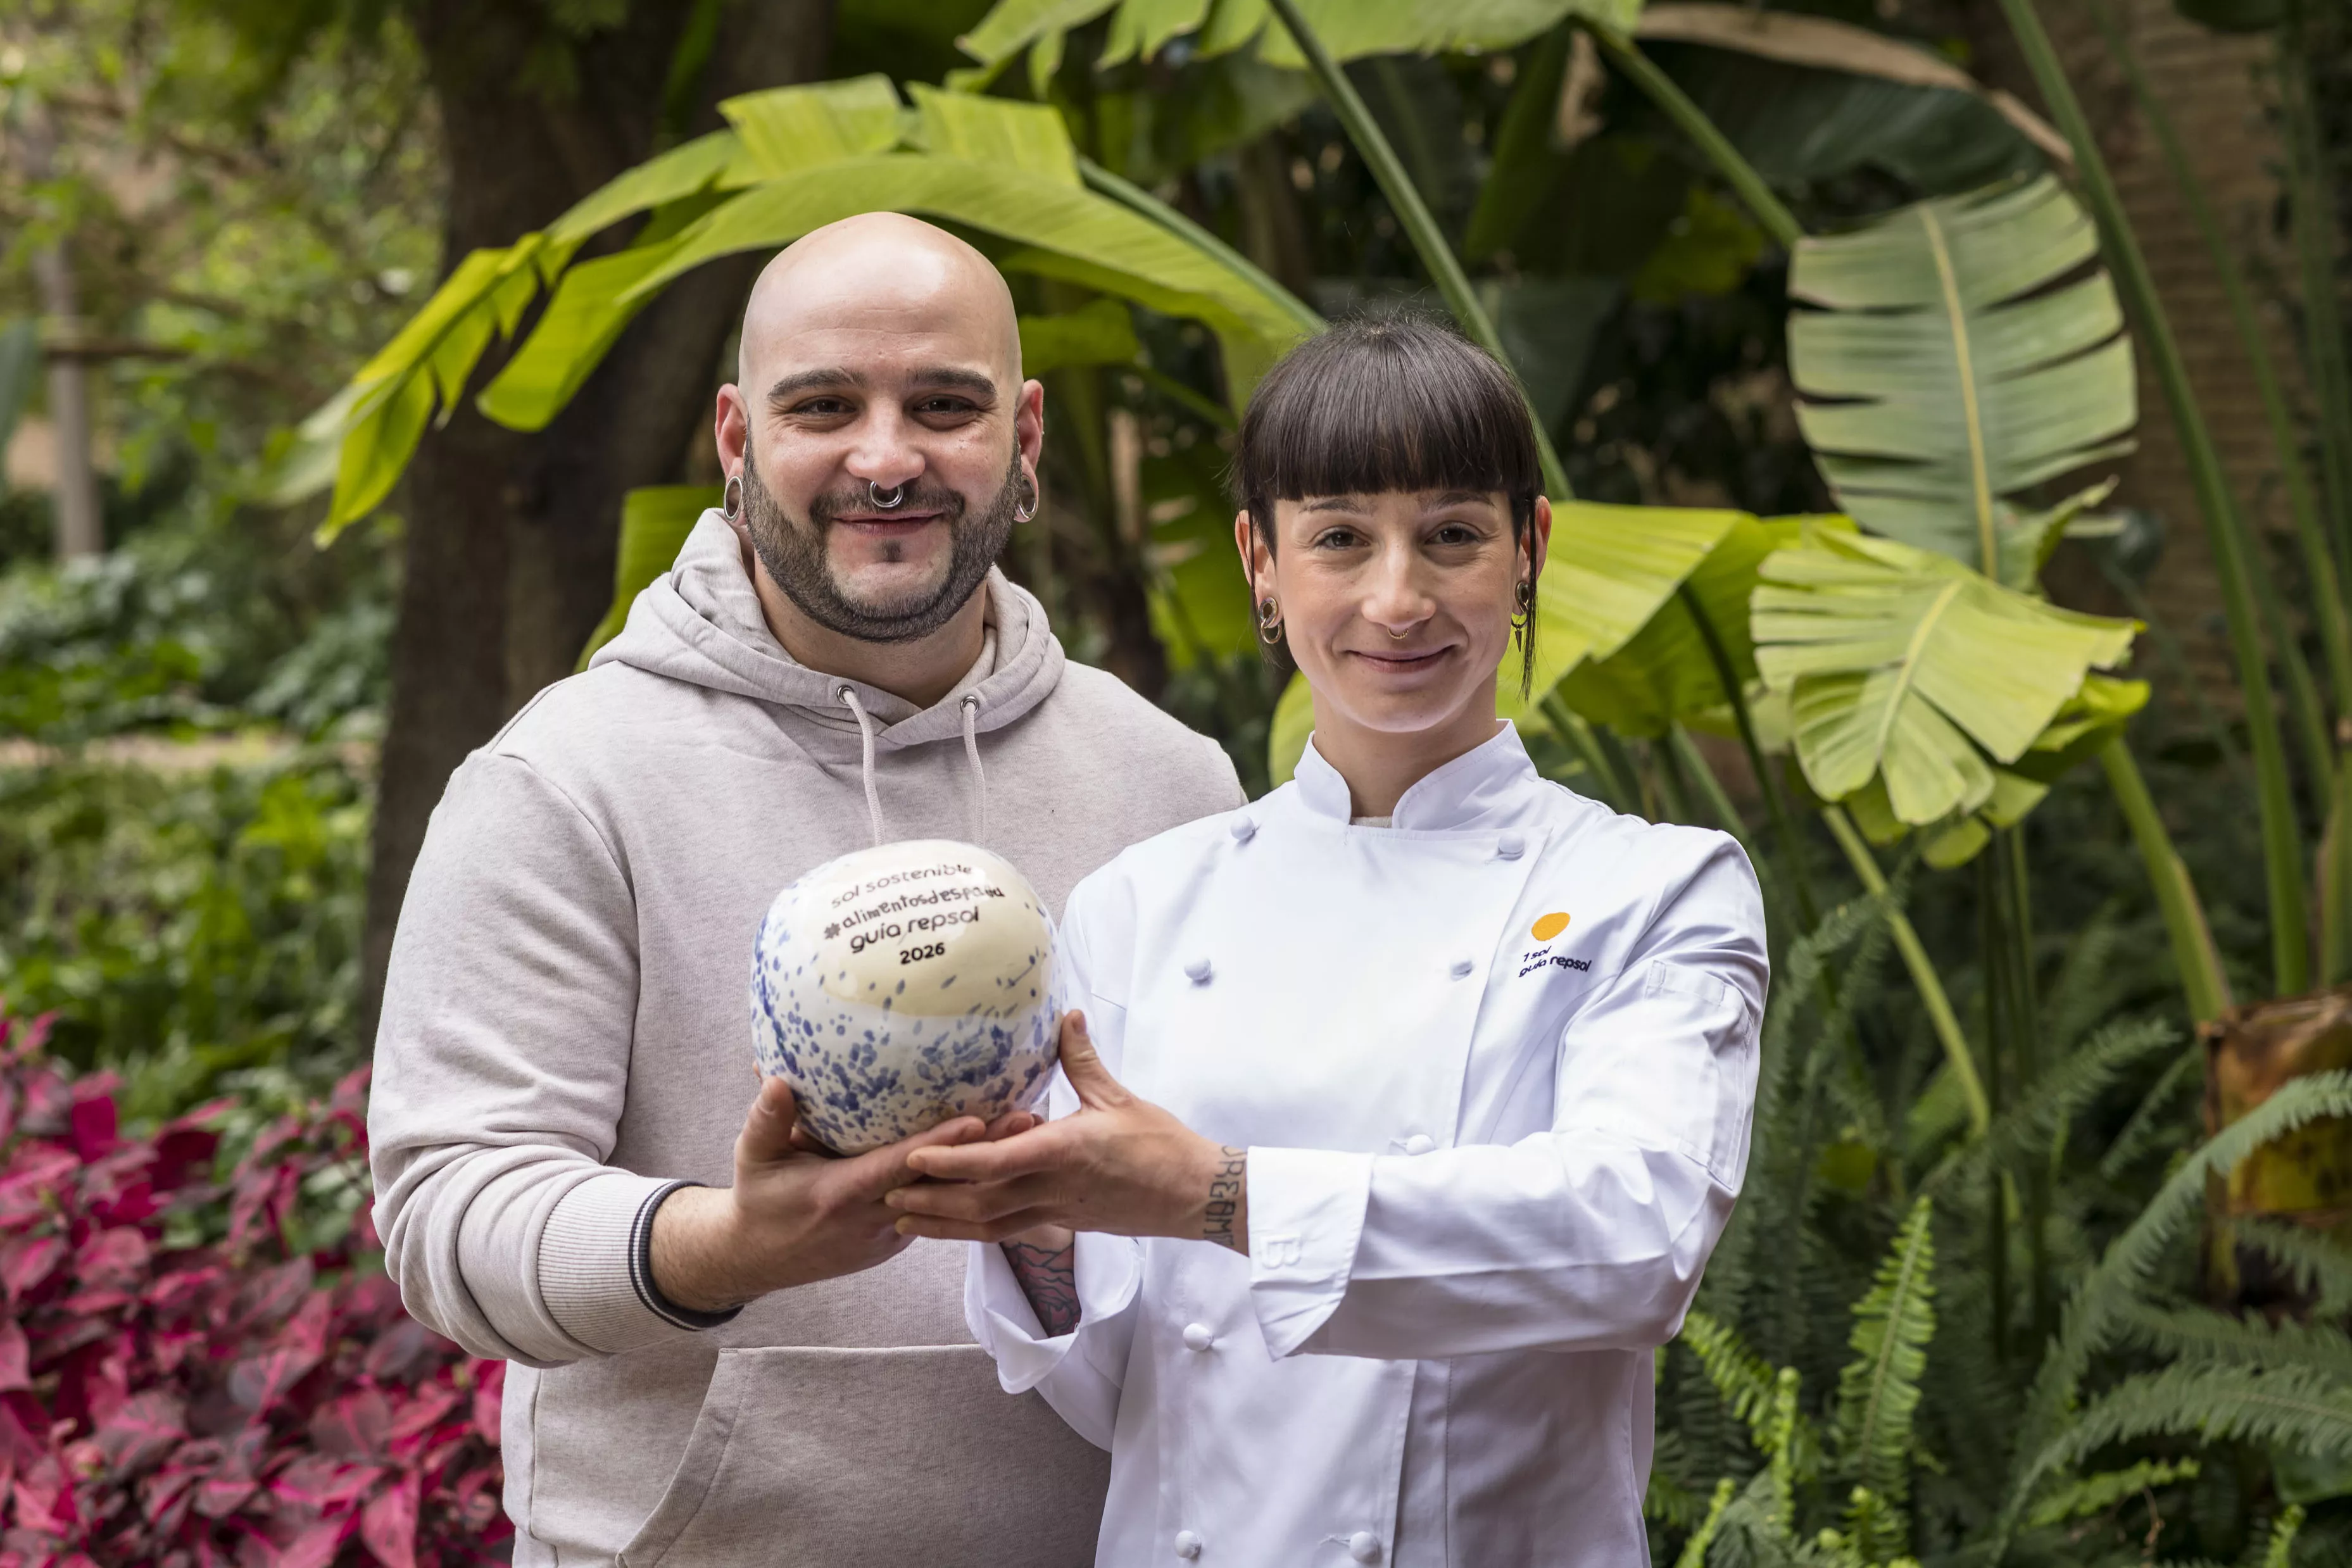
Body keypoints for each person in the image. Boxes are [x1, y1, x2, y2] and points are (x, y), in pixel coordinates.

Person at [365, 212, 1245, 1567]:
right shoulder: (563, 779)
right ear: (734, 438)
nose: (885, 457)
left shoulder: (1171, 782)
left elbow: (1244, 1202)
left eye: (944, 405)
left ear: (1026, 434)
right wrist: (726, 1244)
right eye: (825, 403)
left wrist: (1080, 1236)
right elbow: (450, 1214)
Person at [890, 315, 1770, 1567]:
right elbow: (1123, 1387)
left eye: (1454, 535)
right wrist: (1033, 1231)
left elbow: (1634, 1238)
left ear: (1529, 549)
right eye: (1341, 537)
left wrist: (1214, 1192)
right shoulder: (1142, 901)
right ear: (1262, 559)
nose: (1396, 597)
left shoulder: (1655, 885)